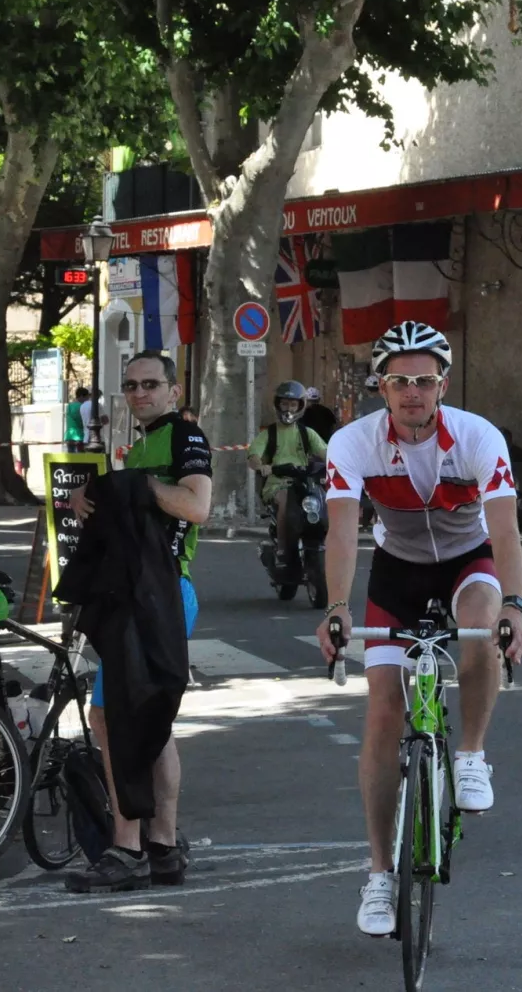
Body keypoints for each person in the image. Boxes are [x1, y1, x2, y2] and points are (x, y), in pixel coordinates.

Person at [312, 321, 522, 937]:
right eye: (400, 381)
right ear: (381, 386)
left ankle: (470, 753)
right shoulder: (353, 443)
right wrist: (336, 606)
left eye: (425, 381)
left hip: (470, 560)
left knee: (483, 624)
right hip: (397, 572)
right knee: (383, 713)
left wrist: (515, 605)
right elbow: (341, 530)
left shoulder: (477, 438)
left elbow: (506, 531)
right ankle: (380, 874)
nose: (414, 392)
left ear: (443, 384)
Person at [66, 351, 211, 893]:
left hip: (164, 594)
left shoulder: (183, 436)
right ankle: (164, 848)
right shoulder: (141, 443)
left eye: (150, 384)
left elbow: (197, 507)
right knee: (144, 721)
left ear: (173, 391)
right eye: (129, 386)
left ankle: (126, 850)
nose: (139, 394)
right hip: (141, 594)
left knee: (113, 718)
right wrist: (100, 490)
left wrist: (131, 487)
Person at [247, 381, 329, 567]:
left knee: (323, 499)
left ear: (300, 406)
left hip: (304, 482)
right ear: (277, 405)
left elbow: (327, 454)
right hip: (277, 483)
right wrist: (261, 466)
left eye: (293, 404)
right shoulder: (269, 433)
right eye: (285, 403)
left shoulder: (307, 433)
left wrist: (338, 465)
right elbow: (253, 456)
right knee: (285, 498)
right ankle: (283, 549)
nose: (288, 408)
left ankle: (325, 544)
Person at [64, 387, 90, 453]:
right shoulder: (82, 406)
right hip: (79, 436)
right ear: (81, 396)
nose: (87, 400)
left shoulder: (69, 406)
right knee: (80, 460)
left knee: (71, 459)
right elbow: (83, 422)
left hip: (69, 436)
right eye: (87, 398)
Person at [81, 388, 104, 452]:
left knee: (87, 460)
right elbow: (105, 419)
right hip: (97, 439)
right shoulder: (98, 405)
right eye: (99, 396)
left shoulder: (82, 406)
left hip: (86, 438)